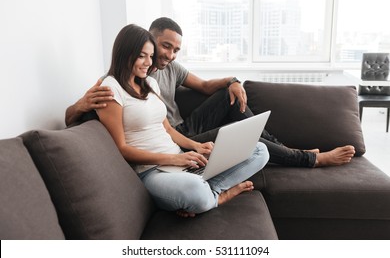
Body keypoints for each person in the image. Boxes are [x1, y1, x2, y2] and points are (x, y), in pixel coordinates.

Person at [65, 17, 355, 168]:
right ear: (148, 40)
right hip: (173, 141)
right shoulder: (117, 80)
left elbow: (204, 87)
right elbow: (73, 116)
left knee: (227, 98)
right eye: (165, 46)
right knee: (236, 132)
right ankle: (309, 159)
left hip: (182, 129)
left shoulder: (170, 70)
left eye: (176, 49)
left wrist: (233, 80)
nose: (169, 54)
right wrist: (78, 105)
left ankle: (291, 150)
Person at [95, 24, 269, 217]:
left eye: (150, 56)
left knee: (260, 151)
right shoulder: (110, 89)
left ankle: (203, 193)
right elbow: (121, 149)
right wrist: (174, 159)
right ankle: (218, 196)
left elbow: (168, 129)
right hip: (152, 172)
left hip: (180, 162)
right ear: (125, 53)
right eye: (142, 56)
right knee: (194, 189)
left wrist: (196, 146)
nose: (148, 62)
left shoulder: (150, 83)